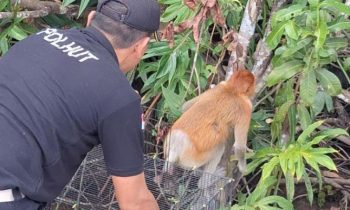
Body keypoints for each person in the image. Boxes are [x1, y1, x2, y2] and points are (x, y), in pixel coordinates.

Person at [0, 0, 160, 209]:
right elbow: (135, 202)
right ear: (141, 47)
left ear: (91, 18)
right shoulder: (119, 96)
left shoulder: (38, 39)